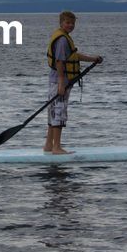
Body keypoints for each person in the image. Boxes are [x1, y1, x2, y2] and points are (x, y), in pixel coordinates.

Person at [45, 10, 102, 154]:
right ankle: (57, 147)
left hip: (56, 81)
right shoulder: (63, 40)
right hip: (60, 82)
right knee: (59, 113)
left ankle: (48, 146)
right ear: (61, 23)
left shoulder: (63, 37)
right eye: (67, 22)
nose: (70, 25)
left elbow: (73, 56)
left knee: (53, 112)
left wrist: (92, 58)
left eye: (73, 23)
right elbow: (59, 61)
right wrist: (61, 83)